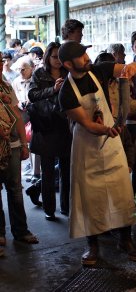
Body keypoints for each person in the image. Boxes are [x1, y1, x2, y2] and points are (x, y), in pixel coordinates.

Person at [58, 40, 136, 266]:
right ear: (67, 64)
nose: (86, 58)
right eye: (81, 56)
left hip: (112, 146)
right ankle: (92, 245)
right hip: (87, 145)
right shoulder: (66, 92)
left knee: (122, 191)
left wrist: (132, 69)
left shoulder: (99, 70)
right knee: (89, 197)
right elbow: (87, 123)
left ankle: (125, 239)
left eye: (86, 54)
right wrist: (108, 129)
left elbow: (129, 68)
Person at [27, 42, 72, 220]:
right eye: (54, 57)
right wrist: (52, 89)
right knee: (47, 171)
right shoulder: (39, 73)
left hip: (64, 126)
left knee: (66, 170)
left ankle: (66, 207)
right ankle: (49, 209)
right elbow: (32, 95)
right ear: (48, 57)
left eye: (60, 57)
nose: (58, 60)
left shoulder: (68, 73)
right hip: (46, 126)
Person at [0, 52, 39, 254]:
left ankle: (21, 230)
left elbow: (16, 113)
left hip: (13, 144)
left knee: (15, 189)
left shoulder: (6, 85)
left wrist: (24, 144)